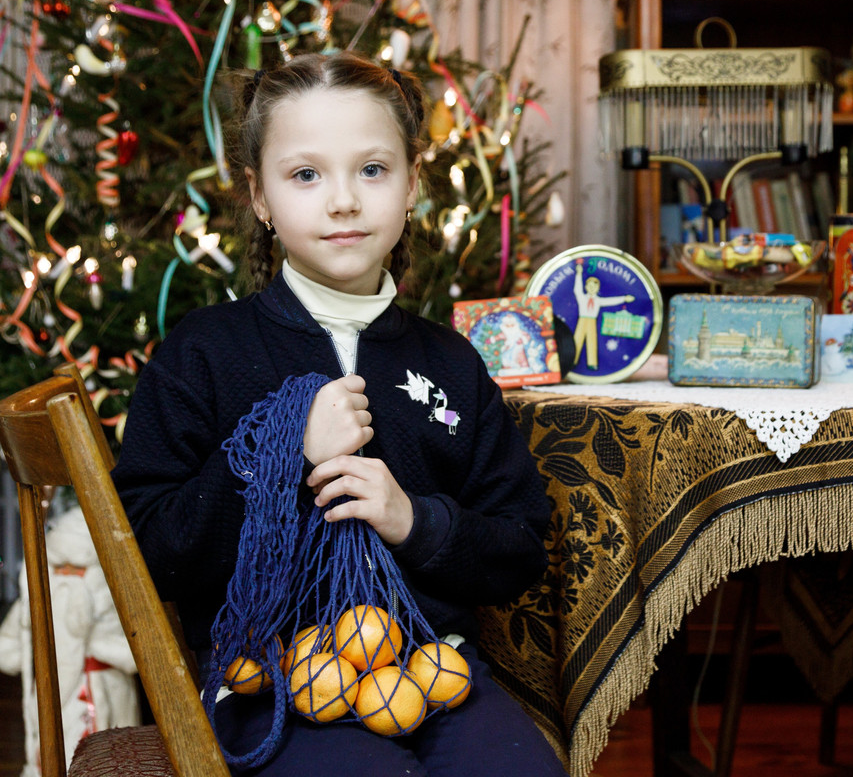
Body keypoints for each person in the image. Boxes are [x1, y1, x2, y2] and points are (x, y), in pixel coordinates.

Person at [111, 52, 567, 777]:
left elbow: (519, 547)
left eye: (373, 170)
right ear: (259, 196)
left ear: (414, 182)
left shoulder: (451, 364)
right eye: (305, 175)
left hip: (431, 670)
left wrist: (415, 520)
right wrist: (280, 451)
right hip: (268, 683)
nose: (344, 201)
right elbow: (151, 550)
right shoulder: (204, 352)